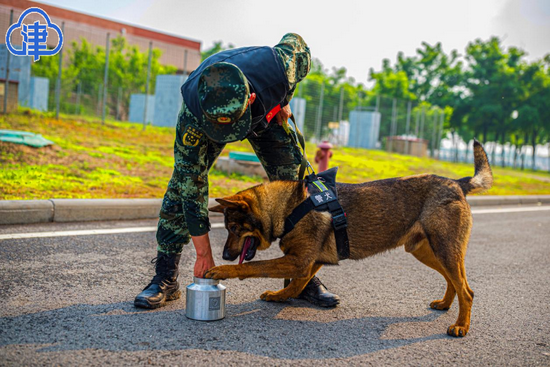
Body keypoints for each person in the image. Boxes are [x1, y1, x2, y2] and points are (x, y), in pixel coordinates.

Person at [134, 33, 340, 309]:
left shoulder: (281, 65)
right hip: (208, 123)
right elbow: (191, 186)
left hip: (264, 115)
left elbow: (297, 42)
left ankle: (299, 280)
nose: (230, 136)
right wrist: (203, 254)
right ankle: (164, 277)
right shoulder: (194, 113)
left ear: (251, 96)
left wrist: (282, 98)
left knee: (297, 190)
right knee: (179, 190)